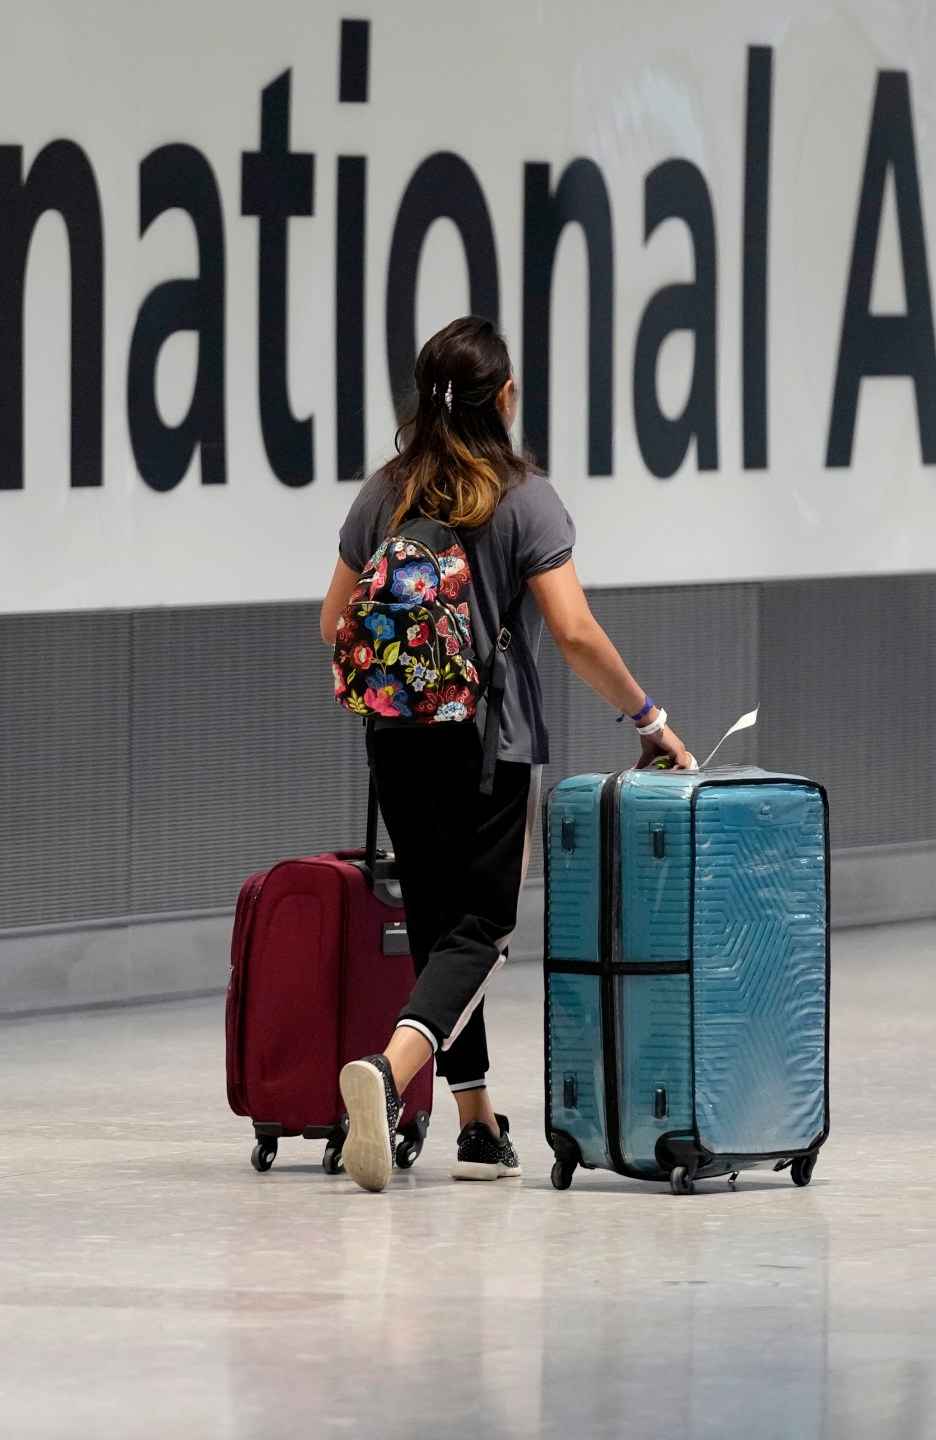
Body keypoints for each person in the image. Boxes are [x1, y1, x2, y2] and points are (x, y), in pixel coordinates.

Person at [320, 315, 694, 1193]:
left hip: (394, 739)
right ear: (507, 398)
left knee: (441, 930)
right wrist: (647, 719)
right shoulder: (523, 497)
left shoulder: (382, 496)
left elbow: (333, 625)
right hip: (488, 743)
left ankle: (478, 1127)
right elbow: (574, 632)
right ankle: (384, 1073)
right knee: (482, 933)